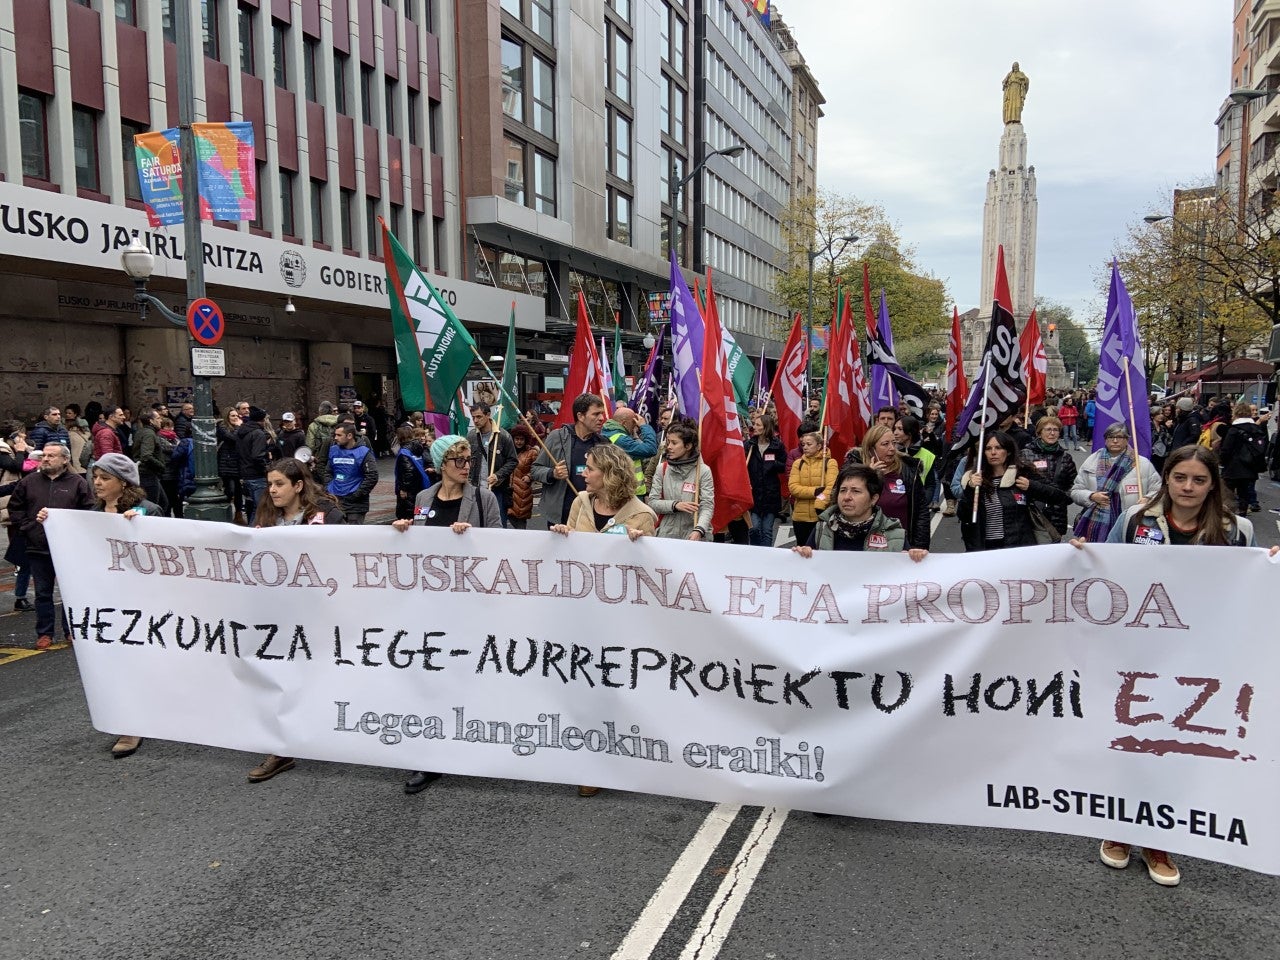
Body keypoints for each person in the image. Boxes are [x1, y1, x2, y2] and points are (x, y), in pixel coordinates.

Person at [1074, 445, 1278, 888]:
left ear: (1212, 484)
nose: (1188, 487)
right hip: (1137, 653)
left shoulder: (1236, 530)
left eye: (1199, 480)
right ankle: (1120, 827)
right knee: (1128, 741)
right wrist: (1079, 555)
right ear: (1165, 479)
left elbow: (1250, 591)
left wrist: (1271, 567)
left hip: (1201, 659)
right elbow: (1105, 572)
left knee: (1175, 745)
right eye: (1180, 478)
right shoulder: (1135, 520)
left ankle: (1159, 839)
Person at [392, 435, 502, 794]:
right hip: (431, 608)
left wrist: (472, 539)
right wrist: (403, 533)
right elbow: (418, 546)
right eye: (458, 460)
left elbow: (503, 545)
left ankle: (476, 740)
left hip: (471, 607)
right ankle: (431, 756)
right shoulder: (424, 499)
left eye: (468, 459)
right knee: (430, 678)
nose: (466, 466)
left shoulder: (483, 499)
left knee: (469, 677)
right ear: (441, 464)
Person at [550, 442, 655, 799]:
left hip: (618, 618)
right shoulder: (580, 502)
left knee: (610, 687)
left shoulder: (641, 515)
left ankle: (606, 759)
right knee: (580, 683)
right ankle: (586, 753)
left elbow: (651, 575)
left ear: (609, 473)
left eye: (590, 467)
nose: (584, 473)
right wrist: (562, 537)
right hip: (580, 612)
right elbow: (570, 552)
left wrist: (640, 547)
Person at [246, 458, 346, 785]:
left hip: (319, 612)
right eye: (269, 484)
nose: (271, 490)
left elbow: (347, 554)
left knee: (321, 674)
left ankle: (337, 731)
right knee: (279, 677)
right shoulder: (264, 517)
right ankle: (281, 748)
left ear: (298, 485)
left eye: (279, 484)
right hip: (278, 614)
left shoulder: (328, 514)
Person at [87, 453, 164, 759]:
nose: (97, 483)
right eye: (95, 477)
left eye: (104, 478)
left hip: (142, 600)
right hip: (107, 599)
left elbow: (167, 552)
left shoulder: (148, 510)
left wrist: (142, 528)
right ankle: (129, 725)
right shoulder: (92, 512)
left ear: (123, 482)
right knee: (116, 662)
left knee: (140, 660)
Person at [7, 443, 94, 648]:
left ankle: (70, 630)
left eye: (51, 456)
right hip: (37, 547)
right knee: (43, 593)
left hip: (68, 549)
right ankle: (44, 633)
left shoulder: (77, 483)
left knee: (69, 592)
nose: (45, 459)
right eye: (44, 455)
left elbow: (89, 511)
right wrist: (28, 527)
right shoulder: (29, 482)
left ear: (65, 460)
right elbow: (15, 508)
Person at [792, 463, 927, 561]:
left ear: (873, 499)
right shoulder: (821, 530)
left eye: (856, 491)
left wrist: (916, 559)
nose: (847, 497)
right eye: (843, 490)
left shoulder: (894, 535)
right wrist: (801, 556)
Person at [956, 432, 1055, 551]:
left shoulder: (1022, 474)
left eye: (998, 448)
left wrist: (1032, 486)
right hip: (984, 549)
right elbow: (963, 515)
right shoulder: (975, 480)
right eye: (988, 448)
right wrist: (970, 490)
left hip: (1017, 548)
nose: (993, 452)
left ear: (1008, 451)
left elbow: (1060, 497)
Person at [1070, 423, 1161, 542]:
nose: (1115, 441)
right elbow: (1075, 491)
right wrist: (1091, 496)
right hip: (1098, 524)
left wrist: (1148, 500)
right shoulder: (1092, 461)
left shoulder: (1142, 464)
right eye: (1111, 437)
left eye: (1120, 437)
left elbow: (1158, 491)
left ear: (1127, 439)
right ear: (1105, 439)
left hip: (1131, 522)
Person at [531, 393, 606, 525]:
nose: (602, 418)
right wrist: (552, 473)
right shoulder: (557, 437)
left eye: (602, 413)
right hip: (560, 517)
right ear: (580, 416)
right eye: (596, 414)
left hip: (592, 516)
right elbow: (535, 470)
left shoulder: (604, 443)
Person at [860, 423, 931, 550]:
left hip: (901, 546)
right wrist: (868, 476)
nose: (892, 448)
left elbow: (921, 511)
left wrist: (920, 546)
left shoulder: (908, 472)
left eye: (893, 443)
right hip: (866, 547)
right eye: (885, 444)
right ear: (871, 449)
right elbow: (852, 505)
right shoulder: (856, 473)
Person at [647, 421, 714, 542]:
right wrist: (675, 505)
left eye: (674, 443)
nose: (669, 447)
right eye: (668, 442)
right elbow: (652, 503)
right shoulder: (662, 468)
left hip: (694, 535)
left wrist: (699, 529)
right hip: (667, 534)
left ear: (687, 446)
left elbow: (707, 505)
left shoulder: (703, 471)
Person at [1019, 415, 1076, 538]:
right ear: (1039, 433)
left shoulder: (1066, 458)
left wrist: (1064, 498)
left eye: (1055, 430)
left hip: (1057, 514)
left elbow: (1074, 484)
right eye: (1048, 429)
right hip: (1032, 512)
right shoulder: (1025, 454)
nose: (1052, 433)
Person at [468, 402, 519, 526]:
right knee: (476, 523)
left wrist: (498, 476)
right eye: (473, 417)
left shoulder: (503, 436)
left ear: (488, 415)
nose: (475, 420)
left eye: (479, 417)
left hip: (497, 490)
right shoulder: (471, 436)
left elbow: (513, 460)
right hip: (475, 489)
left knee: (497, 524)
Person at [320, 423, 379, 524]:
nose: (335, 438)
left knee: (354, 536)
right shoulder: (334, 450)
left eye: (339, 435)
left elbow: (372, 476)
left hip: (355, 505)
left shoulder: (363, 452)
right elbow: (328, 472)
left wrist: (356, 495)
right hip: (336, 500)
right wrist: (328, 488)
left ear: (350, 436)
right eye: (335, 435)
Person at [788, 431, 838, 551]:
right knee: (801, 551)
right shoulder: (797, 464)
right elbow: (793, 487)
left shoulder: (830, 463)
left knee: (819, 550)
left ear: (819, 446)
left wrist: (820, 502)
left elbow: (830, 488)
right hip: (800, 518)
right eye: (803, 444)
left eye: (809, 444)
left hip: (820, 516)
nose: (805, 447)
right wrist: (815, 491)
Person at [744, 411, 786, 547]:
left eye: (757, 425)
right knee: (754, 528)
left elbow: (784, 466)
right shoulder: (749, 445)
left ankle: (767, 556)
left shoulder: (777, 445)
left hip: (770, 494)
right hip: (753, 493)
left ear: (766, 427)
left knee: (767, 530)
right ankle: (756, 553)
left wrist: (772, 463)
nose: (753, 427)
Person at [1219, 401, 1268, 515]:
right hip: (1249, 467)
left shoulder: (1233, 430)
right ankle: (1242, 515)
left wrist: (1222, 461)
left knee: (1228, 494)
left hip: (1233, 468)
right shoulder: (1256, 429)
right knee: (1244, 494)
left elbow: (1226, 449)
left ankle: (1228, 516)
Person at [601, 404, 659, 497]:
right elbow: (651, 449)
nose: (635, 426)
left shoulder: (609, 433)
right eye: (633, 423)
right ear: (624, 423)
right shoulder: (620, 439)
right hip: (629, 493)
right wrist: (644, 426)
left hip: (624, 491)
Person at [235, 406, 272, 524]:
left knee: (254, 507)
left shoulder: (241, 432)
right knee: (261, 507)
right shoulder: (258, 434)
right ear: (262, 420)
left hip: (245, 474)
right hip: (256, 475)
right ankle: (252, 532)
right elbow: (257, 456)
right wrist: (266, 468)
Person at [506, 423, 539, 529]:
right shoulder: (508, 451)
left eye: (521, 439)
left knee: (520, 526)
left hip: (522, 493)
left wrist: (530, 476)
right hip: (508, 492)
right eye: (516, 439)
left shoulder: (531, 453)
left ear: (526, 440)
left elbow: (538, 468)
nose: (519, 442)